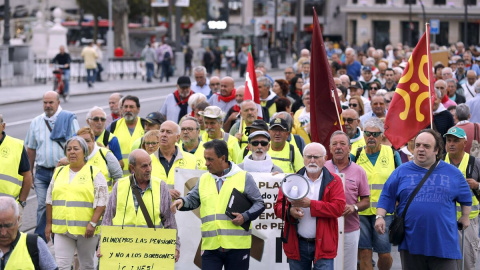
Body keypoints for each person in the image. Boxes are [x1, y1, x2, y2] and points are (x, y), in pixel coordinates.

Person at [375, 129, 472, 270]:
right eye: (418, 145)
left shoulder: (453, 173)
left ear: (437, 150)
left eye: (426, 146)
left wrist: (465, 216)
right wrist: (380, 217)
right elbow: (386, 195)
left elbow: (466, 196)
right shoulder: (401, 172)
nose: (420, 149)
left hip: (444, 244)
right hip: (411, 244)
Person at [171, 139, 265, 269]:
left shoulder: (243, 177)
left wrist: (245, 216)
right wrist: (182, 201)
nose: (206, 163)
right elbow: (192, 199)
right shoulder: (203, 179)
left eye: (210, 159)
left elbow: (259, 203)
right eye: (205, 158)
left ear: (223, 158)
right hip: (211, 247)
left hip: (237, 246)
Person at [274, 142, 346, 269]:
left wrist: (311, 205)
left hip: (324, 244)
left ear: (325, 159)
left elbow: (338, 208)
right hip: (297, 243)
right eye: (308, 156)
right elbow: (278, 207)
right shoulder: (291, 179)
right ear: (303, 158)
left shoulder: (334, 180)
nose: (312, 160)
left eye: (317, 157)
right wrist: (289, 211)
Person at [102, 149, 180, 262]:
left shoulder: (161, 186)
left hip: (151, 251)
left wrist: (175, 246)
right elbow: (107, 220)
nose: (149, 169)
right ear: (132, 168)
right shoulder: (119, 186)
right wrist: (101, 245)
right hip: (122, 250)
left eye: (150, 164)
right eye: (144, 166)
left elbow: (169, 221)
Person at [45, 137, 108, 269]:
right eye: (69, 149)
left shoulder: (94, 173)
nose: (72, 152)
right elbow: (49, 199)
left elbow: (102, 201)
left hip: (86, 231)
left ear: (84, 152)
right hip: (62, 230)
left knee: (87, 265)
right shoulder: (59, 172)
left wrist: (93, 223)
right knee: (62, 266)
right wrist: (49, 224)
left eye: (76, 149)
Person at [25, 91, 79, 241]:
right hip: (42, 172)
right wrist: (29, 172)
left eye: (51, 102)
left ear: (58, 103)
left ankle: (61, 237)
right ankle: (40, 240)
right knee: (43, 205)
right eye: (45, 102)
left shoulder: (69, 118)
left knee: (61, 205)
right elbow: (31, 148)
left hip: (63, 172)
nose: (47, 105)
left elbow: (78, 145)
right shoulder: (36, 122)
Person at [352, 118, 401, 270]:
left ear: (382, 136)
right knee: (365, 252)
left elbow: (401, 180)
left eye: (375, 134)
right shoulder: (355, 153)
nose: (371, 137)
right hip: (361, 211)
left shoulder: (392, 153)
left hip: (384, 211)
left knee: (384, 253)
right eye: (367, 133)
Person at [325, 131, 370, 270]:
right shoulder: (322, 168)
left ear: (349, 148)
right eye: (335, 144)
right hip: (325, 228)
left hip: (349, 229)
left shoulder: (359, 171)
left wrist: (354, 207)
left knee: (348, 267)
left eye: (343, 144)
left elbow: (366, 201)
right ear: (330, 148)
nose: (338, 147)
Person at [443, 126, 480, 270]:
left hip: (468, 221)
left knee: (466, 263)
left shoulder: (474, 163)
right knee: (444, 262)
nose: (451, 144)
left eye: (456, 141)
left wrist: (477, 185)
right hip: (443, 219)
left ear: (465, 143)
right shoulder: (439, 162)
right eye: (449, 140)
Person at [0, 197, 57, 269]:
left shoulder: (34, 244)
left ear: (18, 219)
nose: (3, 233)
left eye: (8, 226)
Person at [150, 121, 197, 199]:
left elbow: (196, 189)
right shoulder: (148, 160)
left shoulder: (191, 160)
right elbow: (142, 188)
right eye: (162, 131)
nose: (164, 135)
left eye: (168, 132)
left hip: (181, 209)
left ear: (177, 138)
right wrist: (163, 193)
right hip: (155, 210)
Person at [0, 114, 32, 220]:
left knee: (8, 236)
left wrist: (21, 203)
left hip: (9, 207)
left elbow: (27, 176)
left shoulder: (16, 146)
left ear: (3, 126)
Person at [108, 95, 146, 175]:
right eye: (125, 107)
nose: (128, 110)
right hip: (120, 179)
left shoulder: (145, 125)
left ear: (138, 109)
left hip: (141, 178)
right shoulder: (113, 126)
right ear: (121, 109)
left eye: (131, 107)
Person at [76, 127, 123, 191]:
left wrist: (113, 197)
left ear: (93, 140)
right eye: (81, 141)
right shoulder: (75, 156)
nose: (85, 144)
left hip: (105, 198)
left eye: (87, 141)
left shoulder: (105, 154)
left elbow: (118, 176)